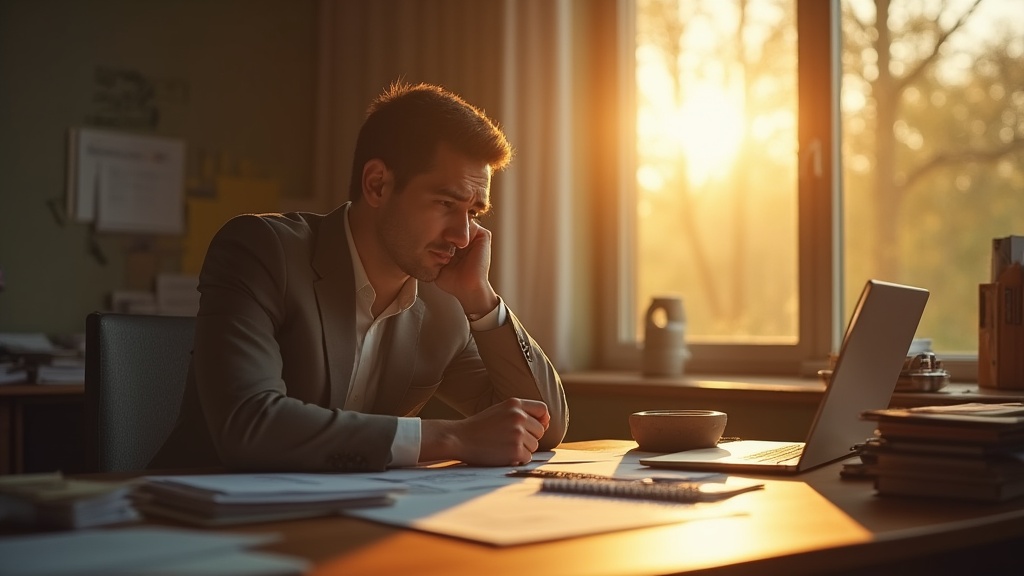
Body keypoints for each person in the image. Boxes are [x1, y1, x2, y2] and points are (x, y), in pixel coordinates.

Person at [150, 82, 568, 472]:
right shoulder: (263, 251)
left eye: (474, 213)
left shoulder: (446, 305)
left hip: (346, 524)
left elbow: (542, 427)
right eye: (445, 203)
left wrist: (483, 302)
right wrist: (450, 437)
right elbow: (249, 424)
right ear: (378, 184)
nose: (462, 236)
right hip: (191, 521)